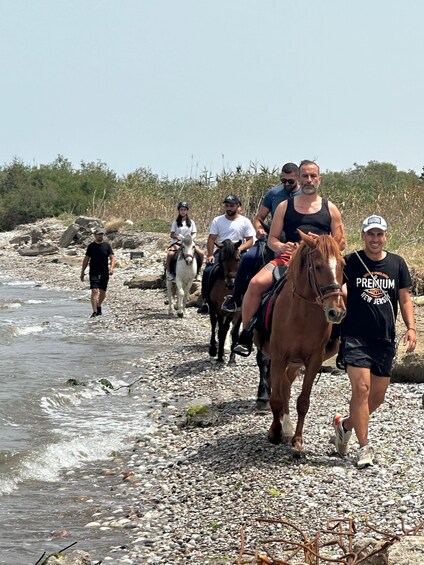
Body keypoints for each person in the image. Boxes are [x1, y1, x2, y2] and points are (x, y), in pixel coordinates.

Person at [233, 160, 346, 355]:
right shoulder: (285, 206)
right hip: (289, 259)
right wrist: (282, 246)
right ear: (299, 179)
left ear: (319, 179)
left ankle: (342, 341)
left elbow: (341, 242)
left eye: (313, 176)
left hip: (322, 263)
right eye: (305, 176)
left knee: (344, 294)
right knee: (255, 284)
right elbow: (272, 240)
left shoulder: (331, 208)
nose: (309, 180)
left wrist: (322, 242)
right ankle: (247, 334)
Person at [332, 215, 417, 469]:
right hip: (355, 336)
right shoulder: (352, 262)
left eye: (379, 234)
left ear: (385, 236)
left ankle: (345, 425)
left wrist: (411, 327)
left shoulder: (397, 264)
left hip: (384, 338)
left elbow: (404, 299)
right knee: (362, 390)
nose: (375, 239)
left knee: (376, 398)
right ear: (363, 236)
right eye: (371, 234)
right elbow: (335, 288)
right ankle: (364, 447)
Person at [221, 162, 300, 313]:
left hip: (296, 241)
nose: (286, 184)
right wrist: (258, 228)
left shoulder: (305, 195)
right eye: (283, 181)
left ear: (298, 178)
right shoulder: (273, 193)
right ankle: (236, 299)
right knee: (248, 258)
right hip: (272, 236)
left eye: (290, 181)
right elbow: (259, 217)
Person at [197, 195, 256, 314]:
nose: (229, 208)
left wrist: (240, 249)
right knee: (208, 270)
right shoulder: (217, 220)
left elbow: (250, 240)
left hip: (238, 250)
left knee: (250, 270)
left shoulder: (245, 221)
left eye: (232, 205)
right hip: (223, 250)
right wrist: (210, 255)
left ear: (238, 206)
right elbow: (211, 238)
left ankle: (247, 300)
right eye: (227, 205)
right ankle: (206, 301)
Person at [80, 227, 115, 318]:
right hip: (93, 272)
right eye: (99, 234)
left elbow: (112, 258)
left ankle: (99, 305)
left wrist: (111, 268)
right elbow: (86, 259)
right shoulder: (91, 246)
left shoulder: (107, 245)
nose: (100, 236)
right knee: (94, 290)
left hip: (104, 272)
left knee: (103, 293)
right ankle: (94, 311)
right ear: (95, 235)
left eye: (102, 234)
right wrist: (82, 272)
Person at [165, 201, 204, 281]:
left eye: (184, 210)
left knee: (201, 253)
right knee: (170, 254)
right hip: (178, 242)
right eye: (181, 209)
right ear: (179, 211)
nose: (183, 211)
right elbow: (172, 234)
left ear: (187, 211)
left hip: (189, 243)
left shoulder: (191, 222)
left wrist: (192, 238)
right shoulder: (175, 222)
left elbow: (194, 232)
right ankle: (169, 272)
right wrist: (178, 237)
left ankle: (198, 272)